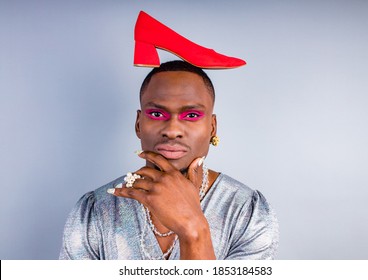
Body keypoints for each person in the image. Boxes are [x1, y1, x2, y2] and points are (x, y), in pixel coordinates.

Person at [59, 60, 279, 260]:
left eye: (191, 115)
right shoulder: (95, 211)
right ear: (138, 123)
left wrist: (193, 230)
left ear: (212, 127)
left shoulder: (246, 212)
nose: (172, 130)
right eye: (156, 114)